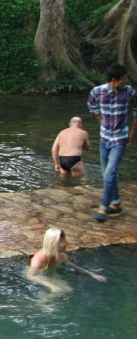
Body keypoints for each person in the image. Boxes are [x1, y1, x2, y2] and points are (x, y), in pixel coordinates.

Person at [87, 64, 137, 222]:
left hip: (120, 139)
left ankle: (103, 208)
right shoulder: (97, 91)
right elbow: (91, 105)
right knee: (107, 174)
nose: (126, 81)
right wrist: (101, 121)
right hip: (104, 138)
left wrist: (133, 131)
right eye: (123, 79)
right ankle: (116, 204)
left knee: (109, 173)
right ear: (114, 80)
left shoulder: (129, 91)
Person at [27, 228, 106, 293]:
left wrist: (92, 274)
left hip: (51, 274)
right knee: (58, 291)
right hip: (40, 276)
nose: (66, 243)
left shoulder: (61, 256)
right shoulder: (40, 258)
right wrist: (51, 286)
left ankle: (47, 300)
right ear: (53, 244)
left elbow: (72, 265)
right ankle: (42, 303)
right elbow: (30, 276)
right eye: (62, 241)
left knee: (69, 290)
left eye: (64, 240)